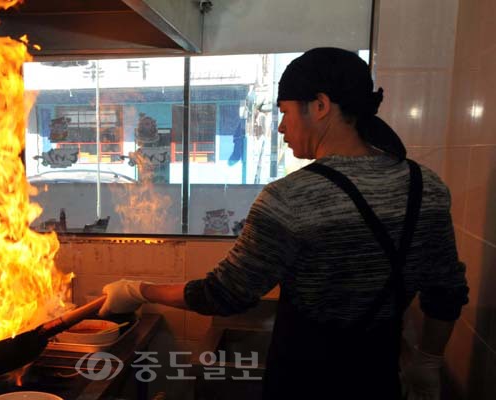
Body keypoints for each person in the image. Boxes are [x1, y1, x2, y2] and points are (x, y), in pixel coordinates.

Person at [98, 48, 468, 400]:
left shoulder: (291, 197)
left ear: (320, 106)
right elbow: (446, 291)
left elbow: (223, 293)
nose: (280, 127)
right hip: (378, 381)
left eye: (285, 111)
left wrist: (138, 290)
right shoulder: (427, 187)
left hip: (303, 384)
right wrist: (428, 361)